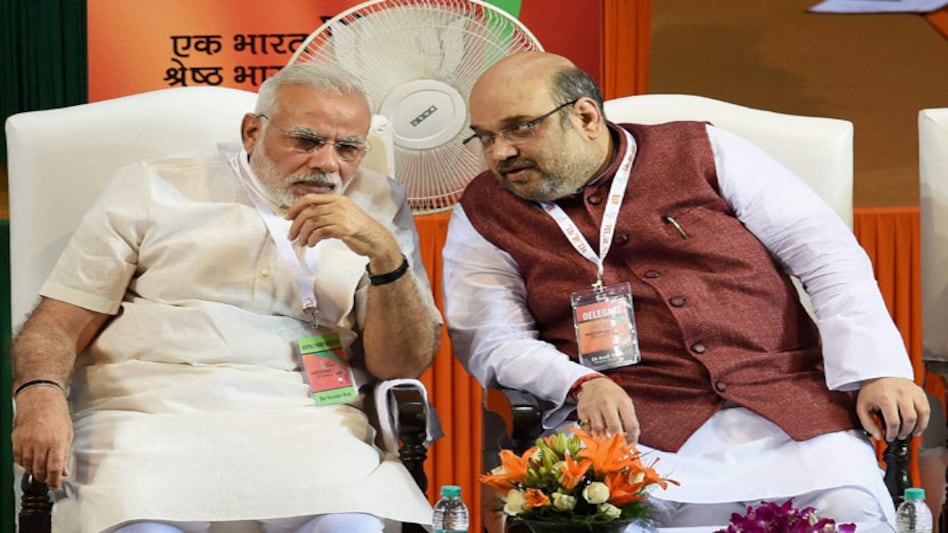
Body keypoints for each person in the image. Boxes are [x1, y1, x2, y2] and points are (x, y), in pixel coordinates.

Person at [442, 51, 931, 530]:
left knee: (848, 513)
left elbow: (827, 257)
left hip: (787, 410)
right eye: (484, 137)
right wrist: (578, 383)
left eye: (520, 128)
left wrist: (878, 372)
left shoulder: (705, 151)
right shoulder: (485, 209)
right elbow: (491, 337)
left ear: (586, 116)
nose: (499, 153)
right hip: (628, 428)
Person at [11, 63, 442, 533]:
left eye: (347, 148)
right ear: (253, 132)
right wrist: (40, 392)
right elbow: (58, 321)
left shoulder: (379, 204)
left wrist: (384, 253)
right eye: (306, 140)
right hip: (149, 414)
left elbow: (401, 363)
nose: (327, 163)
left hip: (307, 419)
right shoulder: (153, 187)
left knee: (351, 527)